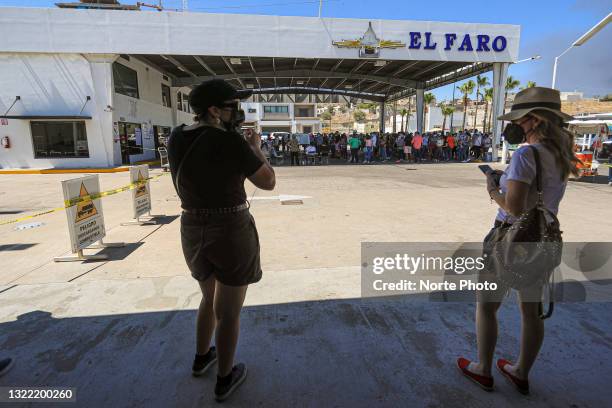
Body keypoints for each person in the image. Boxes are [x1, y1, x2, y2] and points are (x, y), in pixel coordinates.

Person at [457, 87, 577, 395]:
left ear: (535, 120)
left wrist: (493, 187)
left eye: (521, 120)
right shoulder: (562, 153)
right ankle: (521, 371)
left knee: (486, 306)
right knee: (531, 310)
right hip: (543, 236)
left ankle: (483, 369)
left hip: (510, 238)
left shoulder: (526, 153)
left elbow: (515, 207)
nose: (517, 126)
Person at [168, 79, 275, 402]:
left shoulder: (176, 137)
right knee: (228, 311)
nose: (237, 112)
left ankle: (202, 357)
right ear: (214, 110)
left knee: (208, 297)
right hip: (229, 227)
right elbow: (267, 181)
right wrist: (255, 148)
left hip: (191, 226)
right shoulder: (231, 143)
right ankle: (225, 378)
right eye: (232, 106)